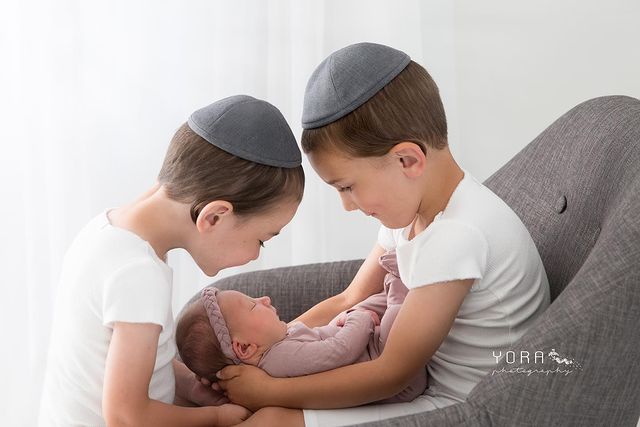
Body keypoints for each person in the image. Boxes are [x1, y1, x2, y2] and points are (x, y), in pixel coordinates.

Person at [214, 42, 551, 426]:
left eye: (347, 187)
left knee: (272, 421)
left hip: (469, 407)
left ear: (407, 160)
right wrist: (264, 356)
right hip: (424, 387)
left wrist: (268, 391)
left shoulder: (458, 236)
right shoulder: (415, 210)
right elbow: (350, 298)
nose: (347, 205)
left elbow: (393, 373)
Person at [37, 95, 305, 427]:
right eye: (261, 240)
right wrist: (215, 417)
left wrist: (191, 385)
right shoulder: (139, 274)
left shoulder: (106, 233)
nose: (255, 255)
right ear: (214, 217)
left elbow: (124, 367)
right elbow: (125, 416)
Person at [176, 250, 427, 404]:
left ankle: (393, 286)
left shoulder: (278, 345)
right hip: (391, 373)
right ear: (244, 347)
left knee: (367, 305)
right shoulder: (280, 359)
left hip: (369, 348)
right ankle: (402, 285)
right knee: (394, 318)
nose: (264, 299)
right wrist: (359, 319)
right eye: (253, 305)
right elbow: (339, 351)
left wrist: (344, 320)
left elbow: (320, 340)